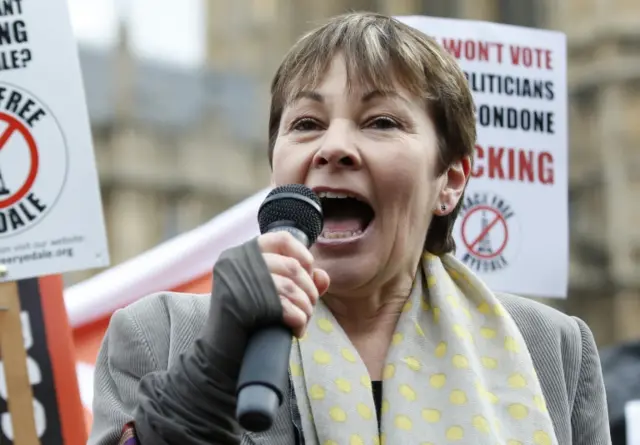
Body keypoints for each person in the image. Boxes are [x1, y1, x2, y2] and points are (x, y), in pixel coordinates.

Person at [89, 11, 611, 445]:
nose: (332, 146)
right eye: (306, 124)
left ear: (450, 180)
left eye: (381, 121)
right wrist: (206, 380)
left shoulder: (553, 350)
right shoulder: (161, 334)